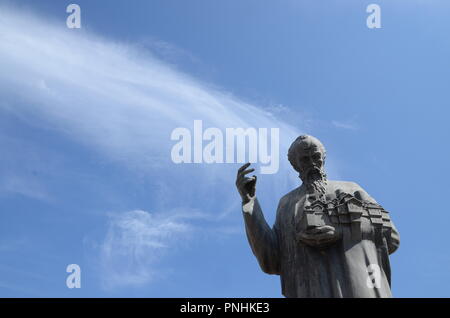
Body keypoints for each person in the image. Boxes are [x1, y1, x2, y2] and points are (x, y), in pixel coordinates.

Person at [236, 135, 400, 297]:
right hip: (309, 286)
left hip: (356, 282)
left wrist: (341, 232)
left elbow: (390, 235)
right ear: (296, 165)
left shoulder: (351, 189)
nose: (312, 163)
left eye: (316, 157)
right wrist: (249, 201)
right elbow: (272, 259)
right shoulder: (287, 204)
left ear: (323, 158)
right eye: (305, 159)